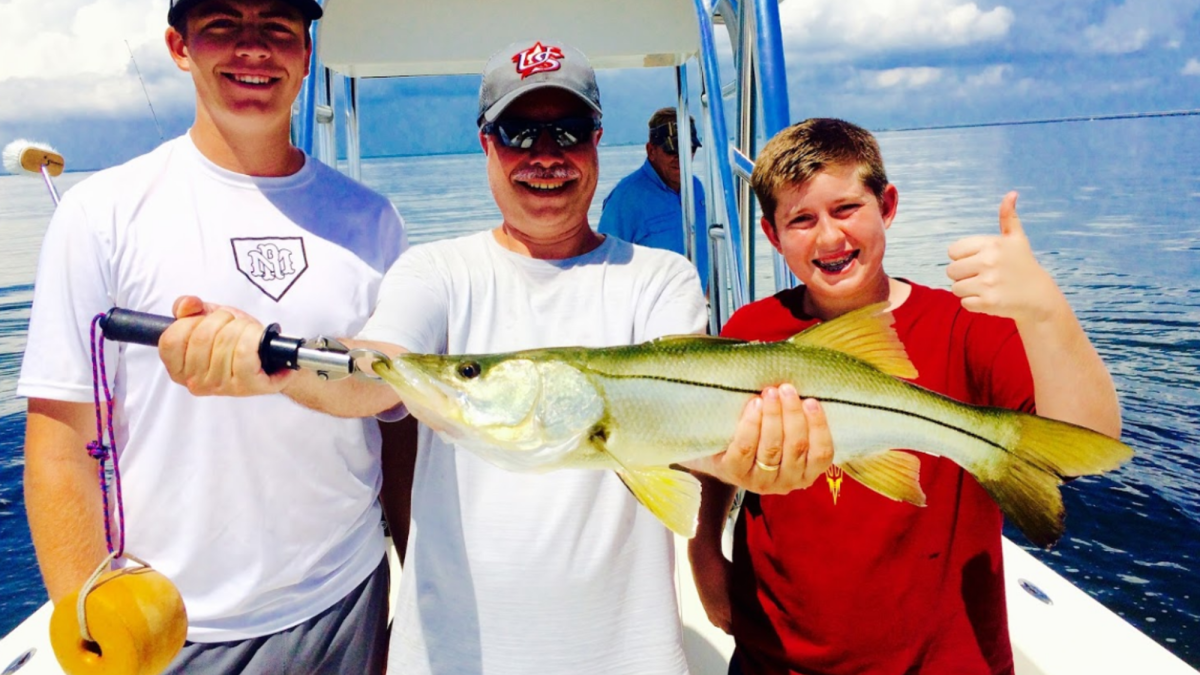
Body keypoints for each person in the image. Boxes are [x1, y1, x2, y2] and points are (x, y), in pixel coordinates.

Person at [157, 40, 834, 674]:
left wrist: (763, 459)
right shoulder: (436, 272)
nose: (545, 154)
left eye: (567, 131)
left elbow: (690, 441)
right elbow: (380, 371)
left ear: (597, 141)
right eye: (519, 133)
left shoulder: (659, 278)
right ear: (486, 142)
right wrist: (278, 361)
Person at [18, 1, 408, 672]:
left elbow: (397, 421)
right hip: (169, 625)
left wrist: (418, 582)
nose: (253, 48)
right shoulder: (100, 214)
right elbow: (58, 449)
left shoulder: (372, 220)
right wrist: (91, 625)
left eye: (278, 28)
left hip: (349, 597)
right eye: (224, 23)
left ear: (307, 54)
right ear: (179, 45)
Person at [688, 118, 1122, 675]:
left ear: (886, 205)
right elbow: (715, 459)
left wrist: (1045, 310)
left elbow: (1090, 440)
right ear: (773, 235)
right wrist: (704, 556)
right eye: (801, 219)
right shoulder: (751, 327)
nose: (828, 237)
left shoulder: (966, 326)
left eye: (846, 209)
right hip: (774, 656)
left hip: (942, 662)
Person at [599, 107, 709, 288]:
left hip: (696, 308)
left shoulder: (696, 188)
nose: (681, 158)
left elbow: (704, 254)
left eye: (688, 149)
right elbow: (605, 269)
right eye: (672, 151)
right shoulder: (624, 199)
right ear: (651, 150)